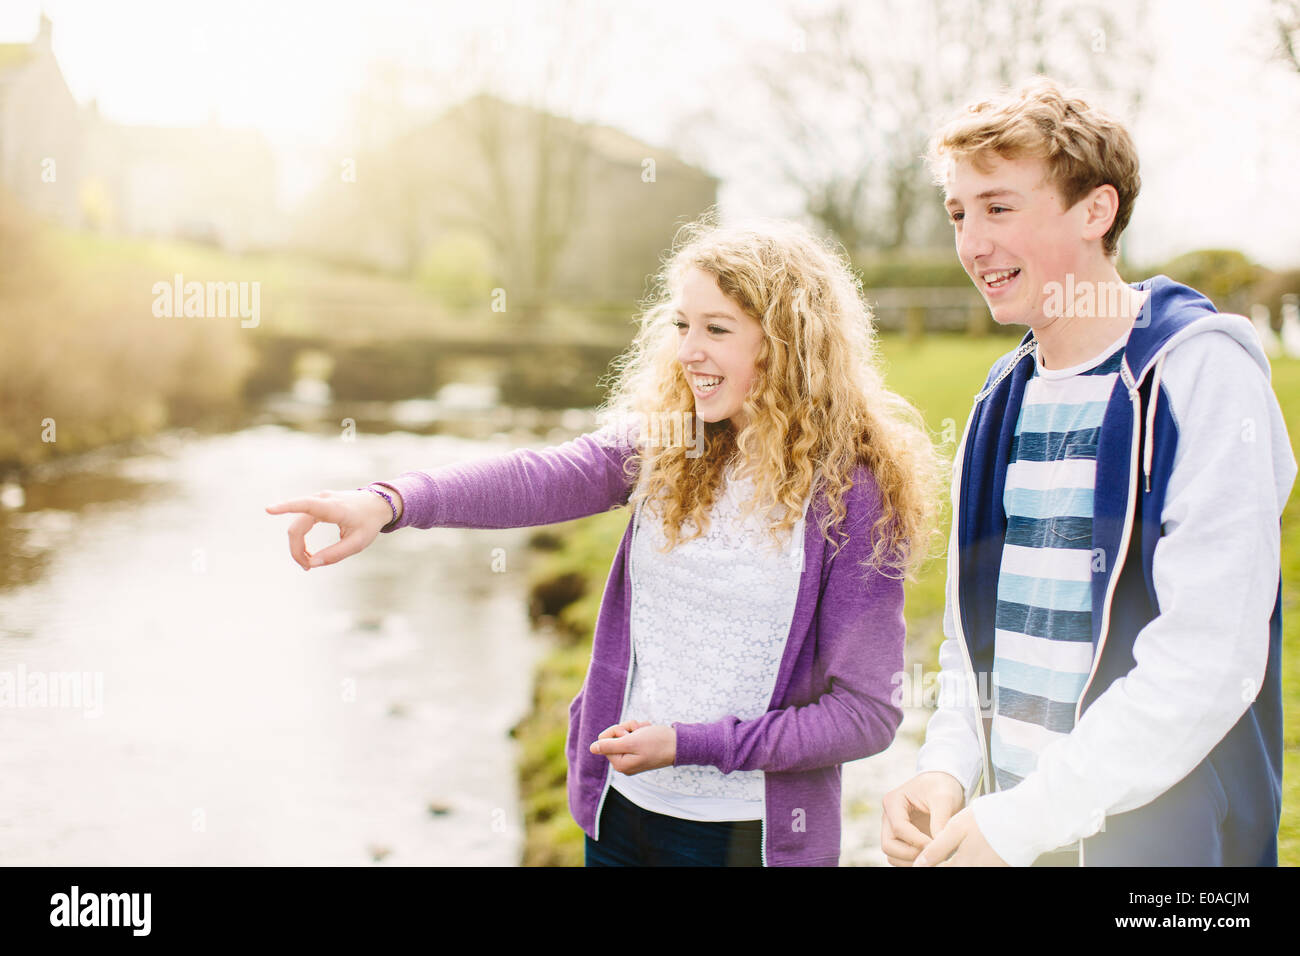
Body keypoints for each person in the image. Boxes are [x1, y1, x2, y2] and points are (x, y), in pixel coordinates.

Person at [266, 217, 946, 866]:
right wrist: (389, 502)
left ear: (788, 344)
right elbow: (540, 477)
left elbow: (866, 714)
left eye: (716, 329)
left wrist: (689, 745)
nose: (687, 352)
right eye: (682, 325)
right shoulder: (672, 443)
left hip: (750, 840)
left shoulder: (854, 495)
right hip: (619, 814)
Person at [881, 77, 1297, 867]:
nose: (972, 244)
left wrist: (1028, 818)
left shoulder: (1200, 374)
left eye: (1000, 208)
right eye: (960, 213)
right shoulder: (998, 401)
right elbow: (977, 642)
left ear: (1095, 211)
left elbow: (1210, 659)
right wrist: (946, 765)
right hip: (1016, 840)